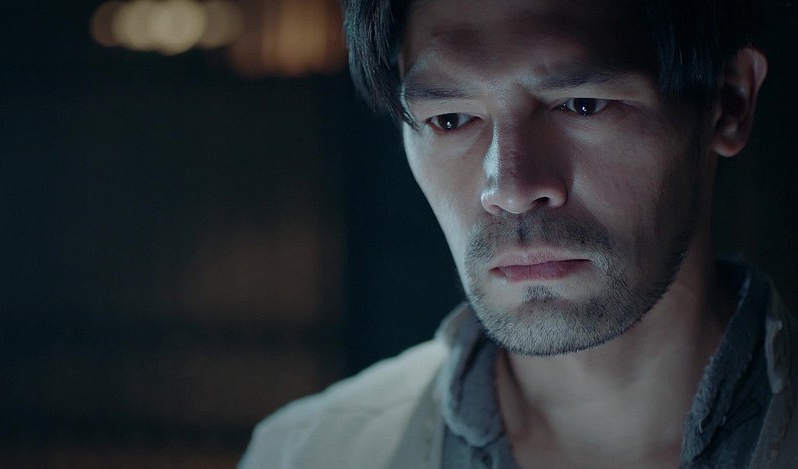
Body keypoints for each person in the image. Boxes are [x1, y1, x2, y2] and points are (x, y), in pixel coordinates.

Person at [241, 0, 797, 467]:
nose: (509, 188)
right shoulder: (307, 453)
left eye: (582, 105)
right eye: (450, 119)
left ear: (729, 101)